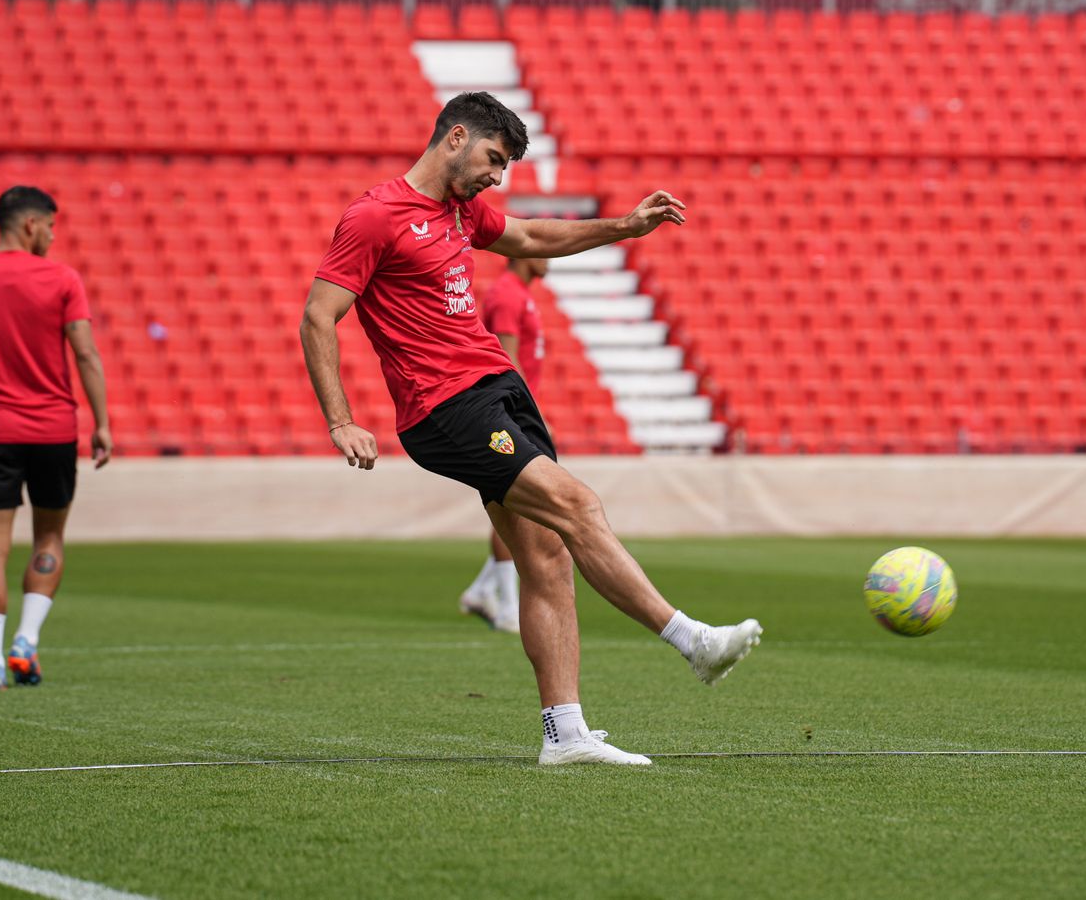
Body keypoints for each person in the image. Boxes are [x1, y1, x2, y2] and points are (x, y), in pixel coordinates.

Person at [301, 92, 761, 767]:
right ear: (455, 138)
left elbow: (532, 236)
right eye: (494, 158)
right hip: (446, 407)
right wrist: (341, 420)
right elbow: (319, 314)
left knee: (545, 553)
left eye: (507, 164)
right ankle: (693, 641)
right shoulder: (376, 216)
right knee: (579, 505)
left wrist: (625, 227)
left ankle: (565, 734)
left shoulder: (461, 211)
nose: (498, 176)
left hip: (496, 391)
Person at [0, 186, 112, 690]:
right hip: (54, 428)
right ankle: (26, 643)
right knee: (50, 536)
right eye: (52, 227)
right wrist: (101, 422)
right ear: (32, 224)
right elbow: (85, 354)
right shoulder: (61, 279)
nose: (54, 237)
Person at [457, 255, 551, 635]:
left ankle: (484, 590)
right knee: (515, 502)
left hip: (516, 410)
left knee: (517, 502)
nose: (549, 258)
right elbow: (508, 361)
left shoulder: (519, 294)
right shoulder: (507, 296)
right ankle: (509, 606)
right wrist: (530, 416)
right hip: (509, 411)